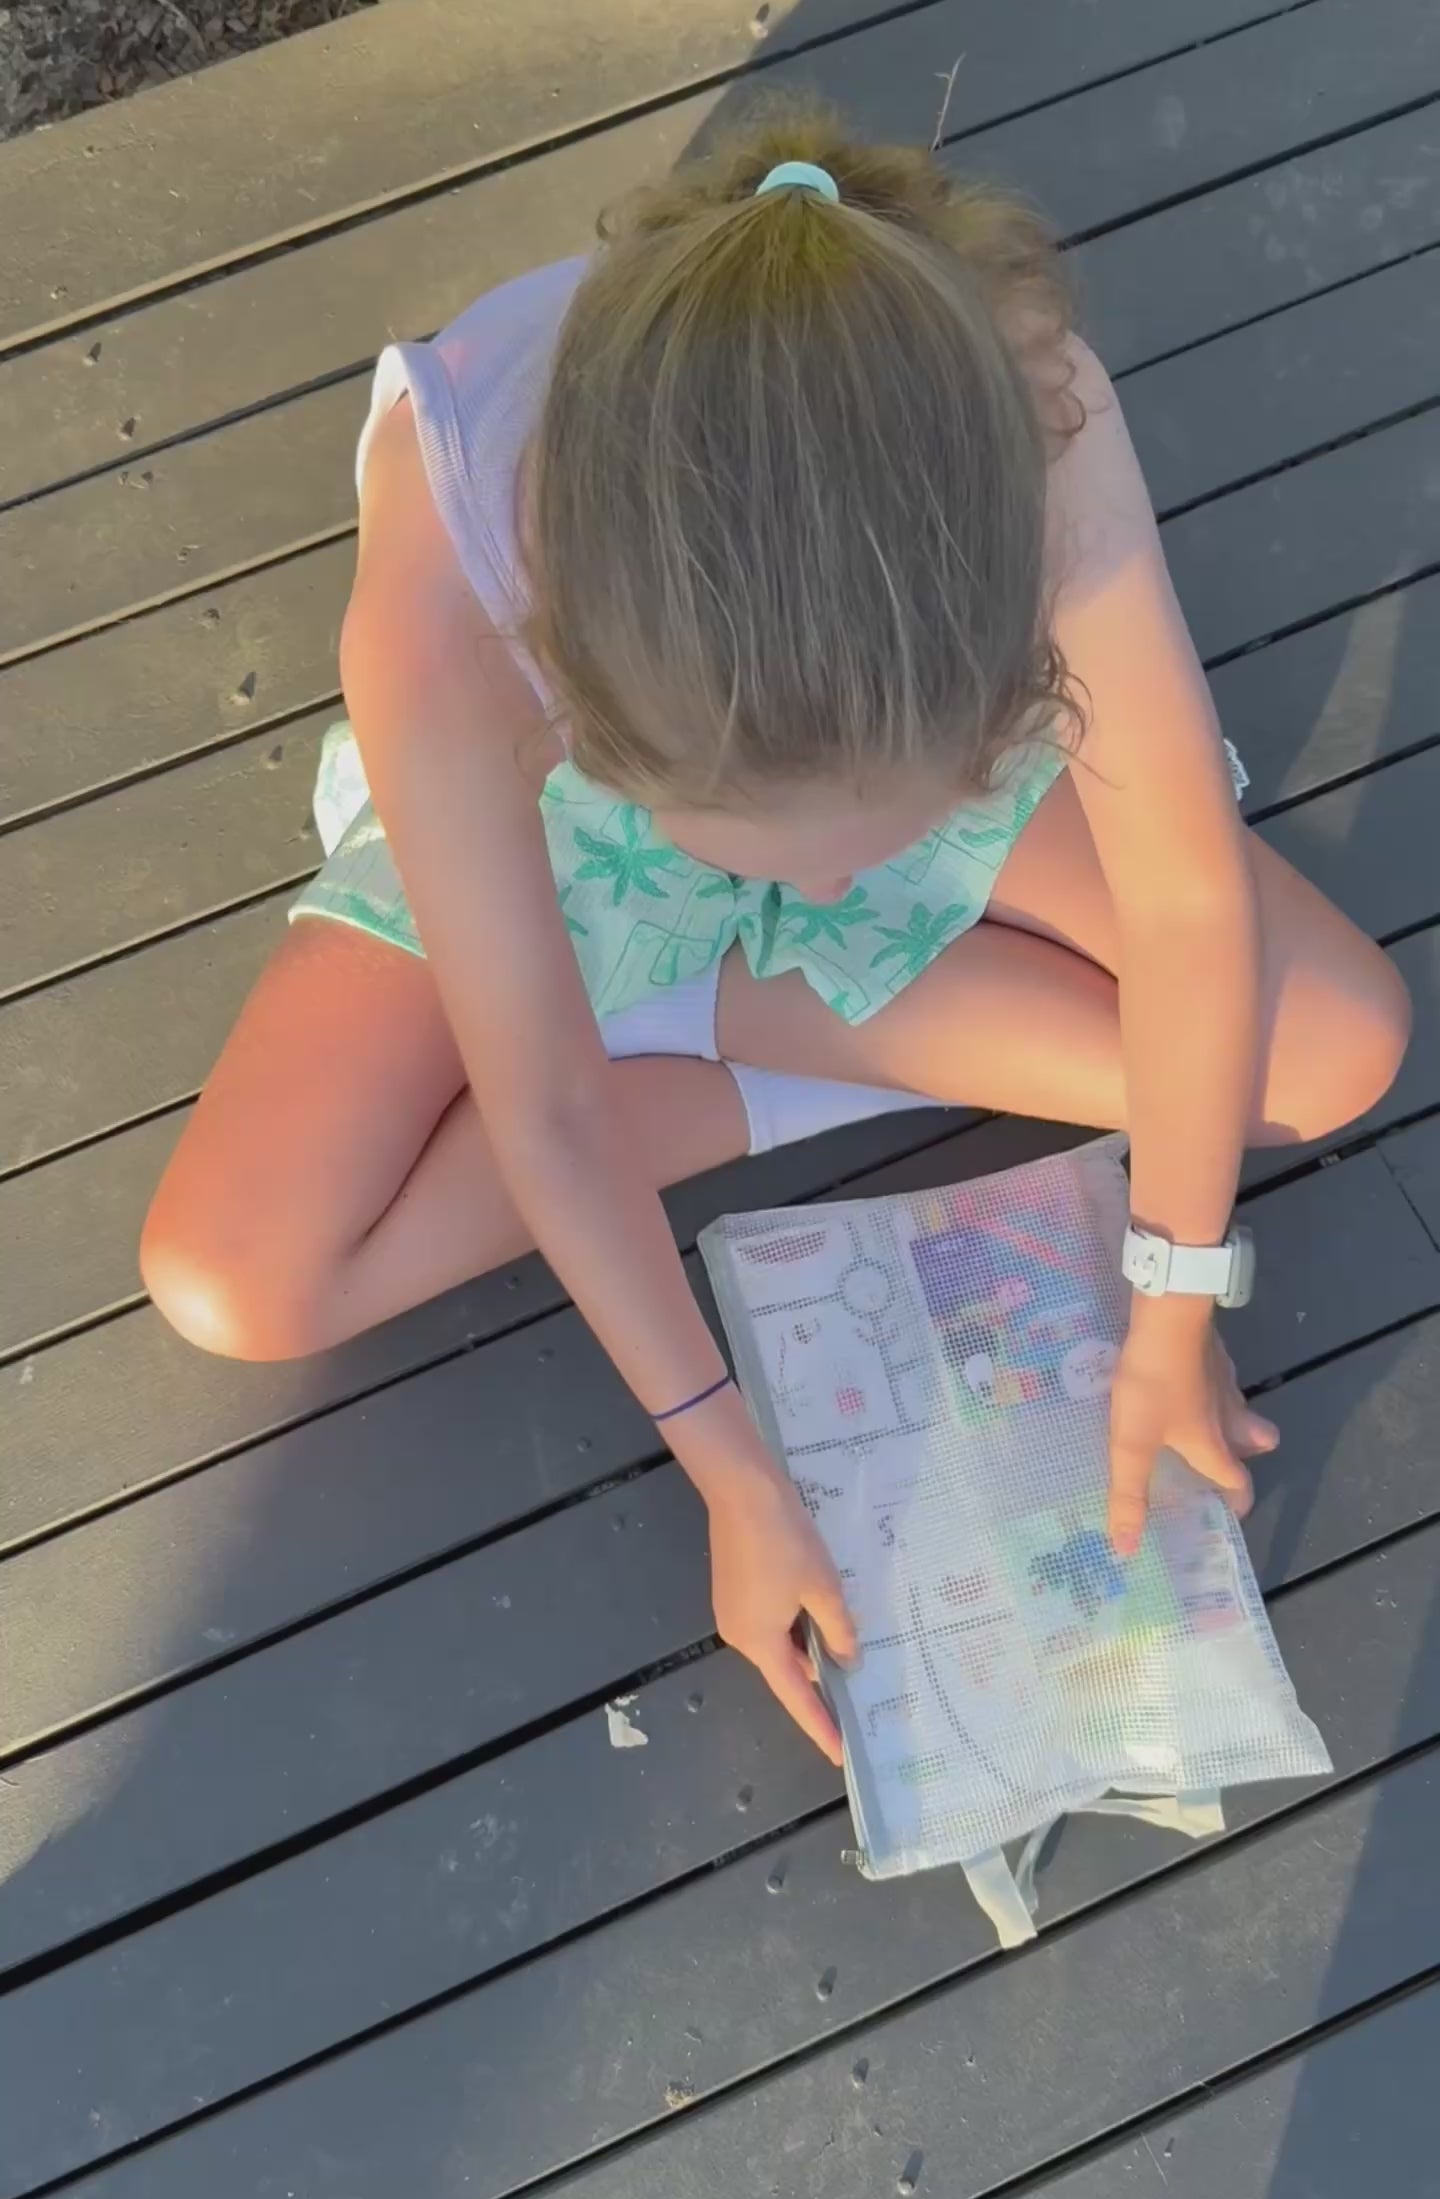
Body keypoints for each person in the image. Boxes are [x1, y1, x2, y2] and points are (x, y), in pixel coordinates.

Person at [141, 109, 1410, 1765]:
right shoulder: (455, 583)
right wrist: (734, 1472)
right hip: (561, 818)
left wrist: (1169, 1303)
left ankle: (725, 1016)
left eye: (880, 855)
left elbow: (1181, 897)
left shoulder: (1018, 400)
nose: (836, 898)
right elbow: (542, 1103)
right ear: (594, 723)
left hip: (837, 727)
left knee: (1333, 1049)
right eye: (792, 871)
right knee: (235, 1275)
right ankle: (737, 999)